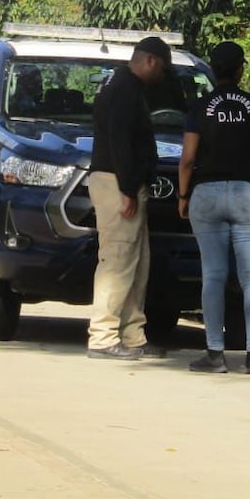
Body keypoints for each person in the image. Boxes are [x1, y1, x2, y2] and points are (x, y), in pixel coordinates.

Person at [178, 41, 250, 375]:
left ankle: (214, 354)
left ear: (213, 69)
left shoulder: (200, 107)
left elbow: (188, 158)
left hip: (206, 193)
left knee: (214, 275)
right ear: (240, 69)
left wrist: (183, 196)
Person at [86, 36, 174, 360]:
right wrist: (126, 188)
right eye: (162, 69)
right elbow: (120, 140)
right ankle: (103, 336)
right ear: (150, 60)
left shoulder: (120, 83)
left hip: (121, 181)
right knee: (118, 259)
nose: (162, 77)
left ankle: (133, 335)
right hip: (115, 182)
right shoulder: (123, 88)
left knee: (138, 264)